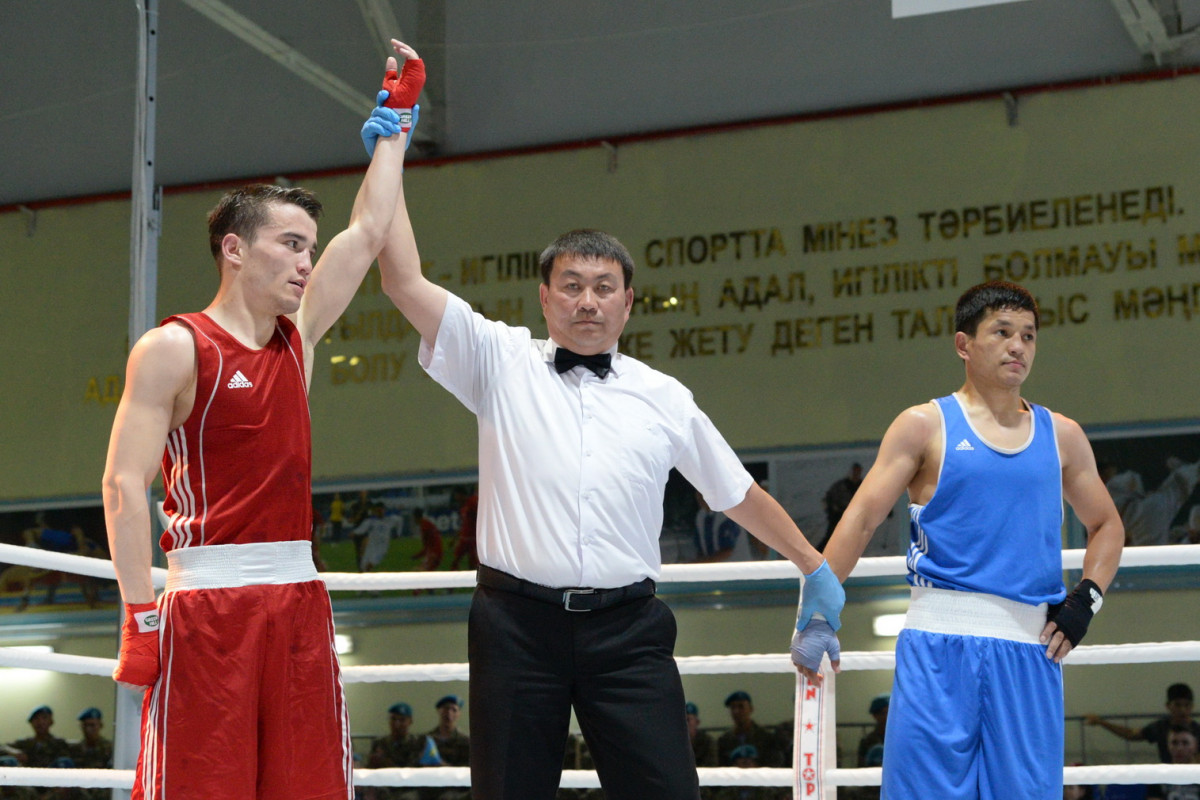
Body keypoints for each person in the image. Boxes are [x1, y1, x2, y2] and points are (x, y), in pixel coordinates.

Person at [375, 199, 843, 797]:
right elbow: (402, 280)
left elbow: (736, 492)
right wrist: (390, 162)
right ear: (544, 297)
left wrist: (814, 566)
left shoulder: (664, 396)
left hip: (629, 633)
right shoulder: (498, 359)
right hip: (515, 628)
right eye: (571, 285)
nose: (587, 301)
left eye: (603, 287)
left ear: (628, 301)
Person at [99, 40, 422, 800]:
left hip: (300, 599)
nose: (308, 262)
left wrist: (397, 127)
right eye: (291, 244)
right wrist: (139, 615)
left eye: (310, 247)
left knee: (309, 785)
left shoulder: (296, 339)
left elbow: (367, 232)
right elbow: (121, 484)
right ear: (235, 250)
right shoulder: (174, 348)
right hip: (207, 607)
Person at [795, 281, 1125, 800]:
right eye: (1002, 332)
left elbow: (1107, 525)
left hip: (1030, 652)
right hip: (937, 647)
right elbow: (860, 520)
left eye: (1028, 336)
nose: (1018, 346)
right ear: (963, 344)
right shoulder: (923, 426)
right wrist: (818, 612)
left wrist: (1087, 598)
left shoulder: (1062, 436)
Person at [1087, 683, 1200, 763]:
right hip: (1168, 781)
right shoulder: (1160, 727)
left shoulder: (1198, 730)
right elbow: (1131, 734)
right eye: (1178, 705)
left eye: (1187, 705)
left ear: (1192, 706)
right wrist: (1101, 722)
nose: (1183, 710)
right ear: (1168, 706)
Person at [367, 702, 423, 800]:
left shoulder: (417, 743)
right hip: (384, 788)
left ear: (410, 721)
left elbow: (409, 773)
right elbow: (370, 770)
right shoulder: (380, 743)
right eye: (393, 719)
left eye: (402, 720)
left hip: (408, 789)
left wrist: (384, 761)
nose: (396, 724)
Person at [418, 696, 470, 800]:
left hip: (453, 788)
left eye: (454, 710)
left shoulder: (466, 741)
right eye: (446, 708)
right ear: (439, 711)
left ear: (458, 714)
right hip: (428, 786)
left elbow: (467, 771)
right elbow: (412, 765)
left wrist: (445, 766)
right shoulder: (426, 739)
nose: (449, 713)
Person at [717, 692, 784, 769]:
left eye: (741, 707)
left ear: (751, 709)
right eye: (733, 708)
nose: (736, 711)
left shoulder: (766, 738)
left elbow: (774, 764)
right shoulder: (724, 741)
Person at [691, 492, 754, 563]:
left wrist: (701, 563)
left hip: (738, 566)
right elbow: (701, 550)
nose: (700, 497)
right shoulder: (700, 516)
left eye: (703, 493)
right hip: (714, 567)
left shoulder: (727, 513)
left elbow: (727, 551)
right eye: (698, 493)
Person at [1145, 724, 1200, 800]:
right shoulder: (1158, 775)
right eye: (1174, 743)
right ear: (1168, 745)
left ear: (1195, 745)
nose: (1179, 748)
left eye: (1185, 743)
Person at [68, 708, 113, 800]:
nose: (88, 729)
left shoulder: (110, 749)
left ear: (100, 725)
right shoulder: (75, 750)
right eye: (85, 725)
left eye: (92, 725)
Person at [816, 463, 863, 551]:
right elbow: (828, 499)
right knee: (831, 538)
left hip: (854, 519)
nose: (856, 474)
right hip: (837, 517)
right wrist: (832, 511)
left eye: (858, 472)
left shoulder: (863, 486)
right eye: (855, 472)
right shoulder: (841, 486)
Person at [355, 503, 400, 573]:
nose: (379, 512)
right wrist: (355, 533)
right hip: (372, 545)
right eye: (378, 510)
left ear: (384, 510)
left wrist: (398, 533)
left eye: (381, 510)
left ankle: (365, 573)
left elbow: (399, 521)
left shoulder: (390, 519)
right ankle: (363, 574)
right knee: (363, 565)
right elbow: (363, 528)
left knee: (370, 564)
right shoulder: (372, 521)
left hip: (382, 547)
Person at [449, 487, 479, 571]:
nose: (456, 498)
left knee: (473, 563)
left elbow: (479, 517)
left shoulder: (472, 502)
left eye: (457, 495)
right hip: (464, 539)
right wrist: (454, 538)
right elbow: (464, 524)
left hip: (472, 539)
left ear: (461, 495)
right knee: (455, 560)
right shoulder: (463, 507)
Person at [856, 694, 888, 768]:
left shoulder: (902, 738)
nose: (888, 717)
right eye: (884, 713)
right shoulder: (867, 742)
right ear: (875, 715)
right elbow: (861, 768)